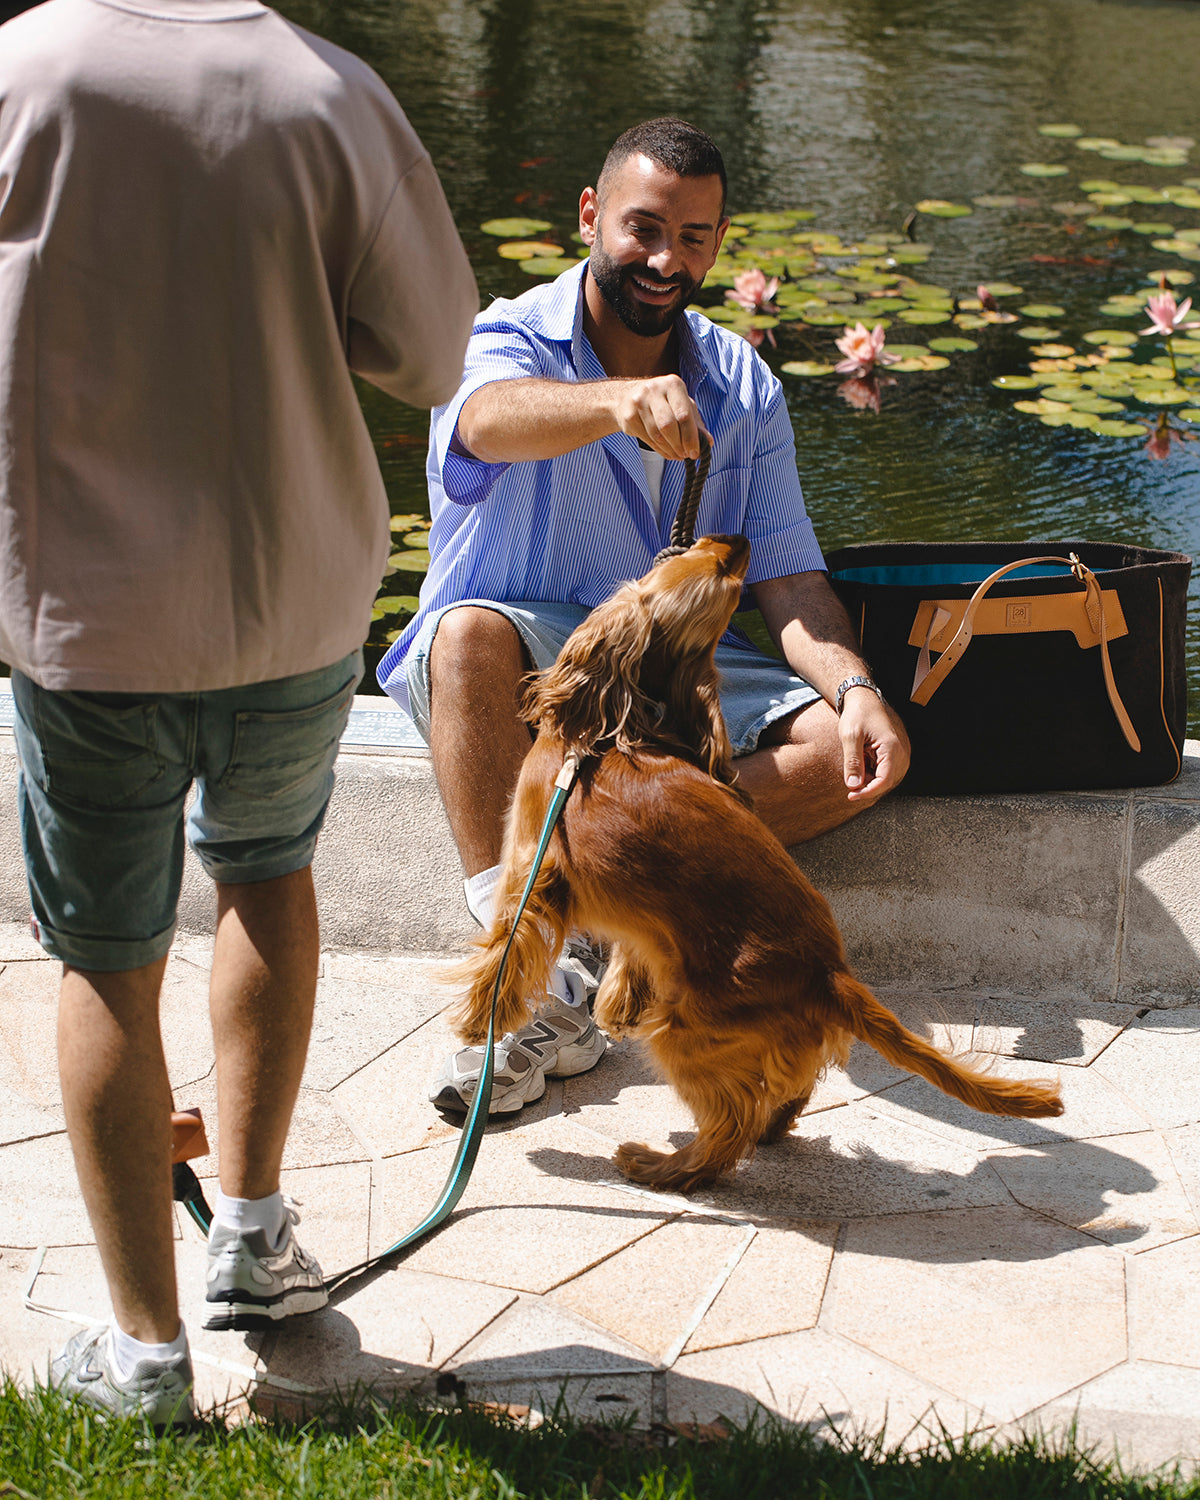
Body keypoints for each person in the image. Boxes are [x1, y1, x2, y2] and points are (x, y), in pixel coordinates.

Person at [0, 0, 477, 1426]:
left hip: (84, 610)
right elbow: (438, 354)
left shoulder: (23, 68)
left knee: (104, 959)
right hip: (289, 597)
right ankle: (256, 1246)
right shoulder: (329, 94)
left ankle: (146, 1355)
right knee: (269, 879)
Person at [378, 118, 910, 1117]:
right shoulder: (508, 335)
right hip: (532, 660)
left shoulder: (744, 382)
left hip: (663, 679)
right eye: (645, 228)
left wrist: (860, 688)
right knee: (465, 635)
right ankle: (530, 988)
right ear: (590, 215)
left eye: (697, 237)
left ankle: (597, 922)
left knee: (853, 743)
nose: (670, 259)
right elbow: (483, 421)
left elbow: (789, 581)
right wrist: (617, 404)